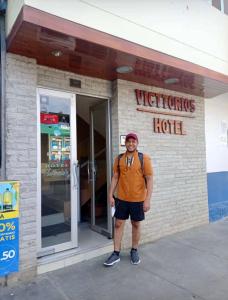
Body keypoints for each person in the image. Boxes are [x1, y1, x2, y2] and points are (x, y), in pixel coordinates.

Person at [104, 132, 153, 266]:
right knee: (118, 224)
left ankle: (134, 250)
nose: (131, 144)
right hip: (122, 199)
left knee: (136, 224)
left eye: (133, 141)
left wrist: (147, 199)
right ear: (125, 143)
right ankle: (116, 253)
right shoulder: (119, 158)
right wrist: (110, 195)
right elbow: (115, 177)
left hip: (138, 199)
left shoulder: (144, 158)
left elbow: (149, 179)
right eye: (128, 141)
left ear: (137, 143)